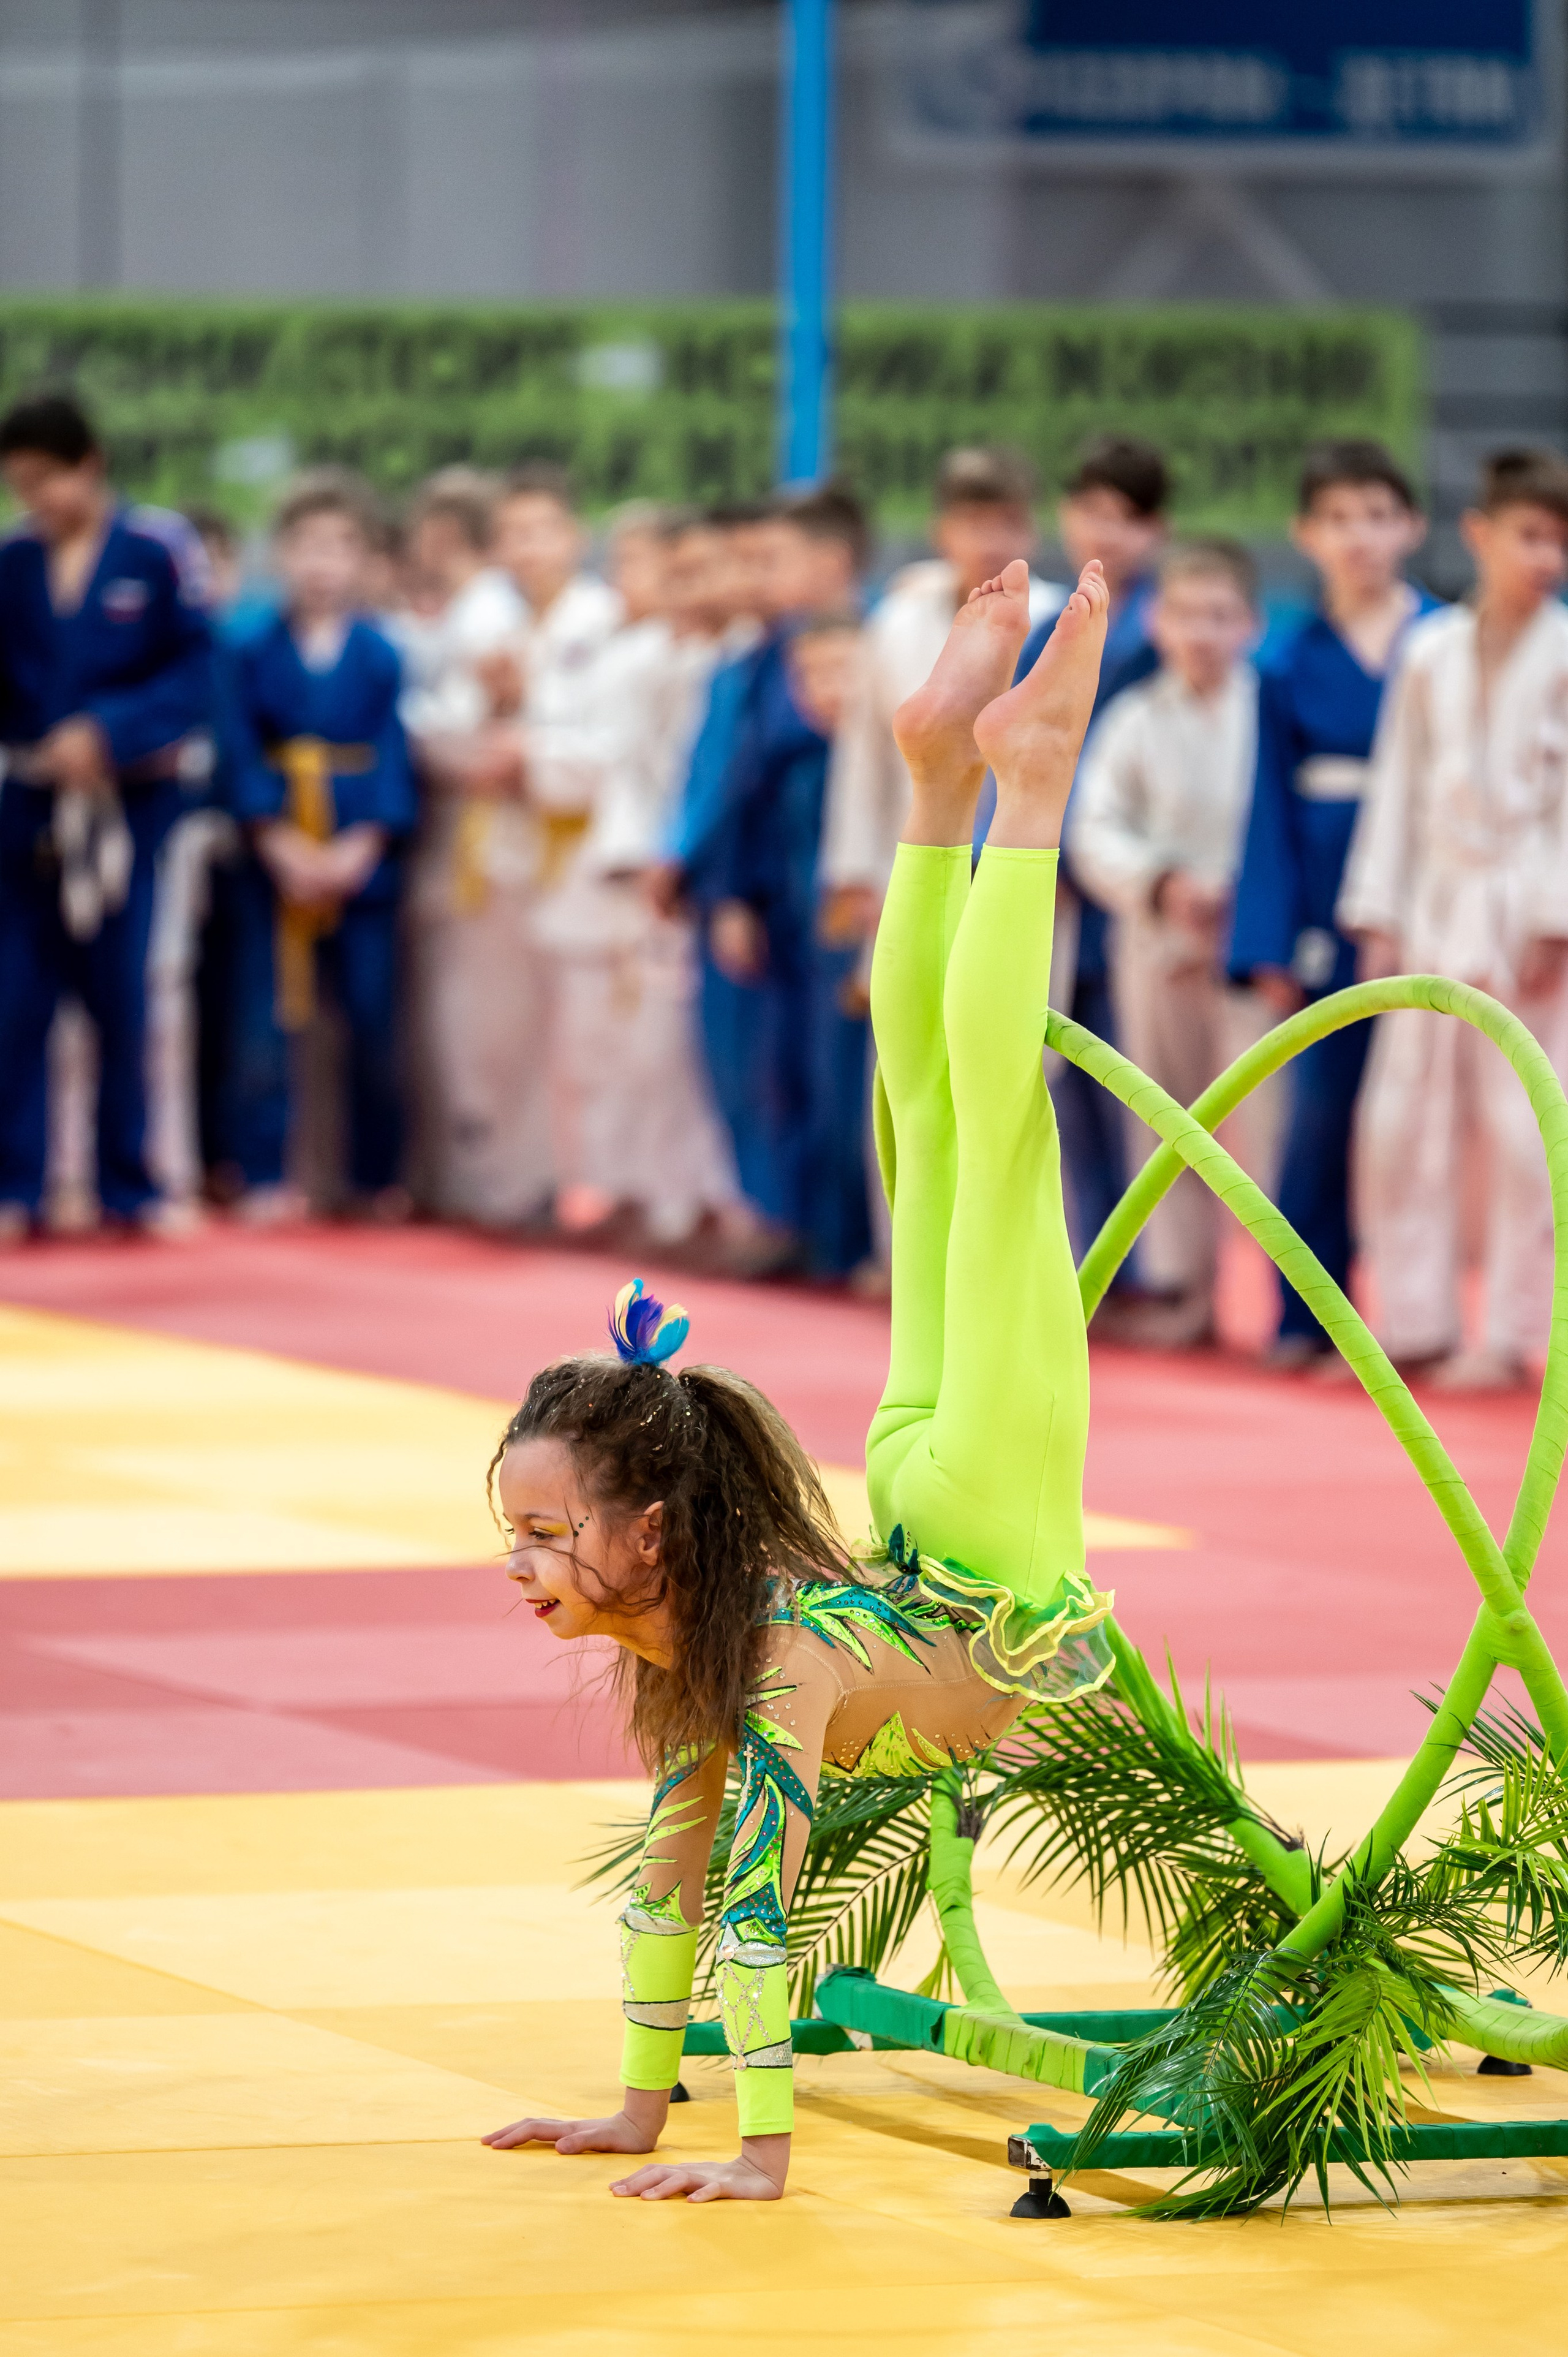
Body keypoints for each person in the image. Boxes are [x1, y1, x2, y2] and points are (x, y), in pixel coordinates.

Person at [481, 553, 1115, 2201]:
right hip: (937, 1528)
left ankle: (1003, 790)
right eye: (523, 1530)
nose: (524, 1563)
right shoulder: (706, 1644)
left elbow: (740, 1900)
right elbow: (676, 1884)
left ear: (652, 1524)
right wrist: (632, 2105)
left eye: (551, 1532)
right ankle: (942, 780)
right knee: (940, 1132)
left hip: (980, 1528)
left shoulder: (755, 1660)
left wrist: (754, 2149)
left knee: (971, 1131)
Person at [1338, 447, 1568, 1392]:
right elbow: (1396, 787)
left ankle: (1512, 1336)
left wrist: (1558, 913)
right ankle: (1414, 1320)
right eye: (1529, 534)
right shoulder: (1429, 651)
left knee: (1527, 1132)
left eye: (1560, 539)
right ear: (1478, 533)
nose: (1546, 555)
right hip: (1438, 897)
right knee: (1405, 1121)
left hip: (1531, 909)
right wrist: (1379, 911)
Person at [1227, 441, 1433, 1371]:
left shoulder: (1448, 639)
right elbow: (1265, 805)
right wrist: (1269, 937)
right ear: (1306, 535)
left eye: (1379, 515)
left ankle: (1433, 1319)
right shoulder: (1287, 661)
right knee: (1320, 1117)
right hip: (1322, 896)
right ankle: (1307, 1317)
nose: (1361, 537)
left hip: (1438, 886)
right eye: (1340, 518)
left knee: (1429, 1118)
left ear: (1414, 528)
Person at [0, 390, 213, 1244]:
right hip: (32, 801)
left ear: (90, 463)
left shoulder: (162, 549)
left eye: (45, 480)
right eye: (19, 485)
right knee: (17, 998)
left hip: (132, 803)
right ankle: (18, 1182)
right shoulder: (12, 560)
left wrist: (111, 732)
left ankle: (128, 1183)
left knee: (123, 996)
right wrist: (44, 742)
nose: (34, 501)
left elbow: (197, 671)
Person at [1069, 539, 1266, 1345]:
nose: (1202, 632)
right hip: (1157, 937)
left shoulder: (1269, 710)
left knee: (1264, 1125)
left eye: (1220, 615)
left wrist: (1242, 894)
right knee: (1168, 1119)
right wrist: (1160, 882)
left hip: (1254, 943)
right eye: (1186, 614)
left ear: (1250, 624)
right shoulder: (1134, 717)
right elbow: (1093, 827)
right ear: (1156, 620)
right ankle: (1187, 1291)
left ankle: (1292, 1308)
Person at [675, 484, 870, 1255]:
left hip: (846, 890)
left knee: (841, 1077)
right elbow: (735, 789)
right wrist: (724, 891)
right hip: (775, 887)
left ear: (832, 560)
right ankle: (786, 1220)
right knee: (770, 1070)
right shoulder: (753, 660)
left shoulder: (869, 645)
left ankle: (838, 1235)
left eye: (771, 559)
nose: (757, 576)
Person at [224, 469, 416, 1220]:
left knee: (371, 1016)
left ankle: (374, 1177)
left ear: (364, 559)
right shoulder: (246, 644)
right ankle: (267, 1171)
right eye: (308, 546)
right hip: (273, 855)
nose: (323, 563)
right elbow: (237, 748)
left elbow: (395, 750)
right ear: (281, 554)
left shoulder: (382, 651)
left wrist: (362, 844)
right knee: (264, 1021)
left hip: (358, 851)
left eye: (341, 547)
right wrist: (276, 840)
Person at [1009, 436, 1170, 1274]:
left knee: (1139, 1079)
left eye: (1125, 514)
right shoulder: (1045, 631)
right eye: (1089, 509)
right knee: (1067, 1075)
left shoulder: (1171, 630)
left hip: (1141, 880)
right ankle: (1090, 1260)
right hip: (1058, 882)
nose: (1103, 529)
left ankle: (1151, 1265)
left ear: (1157, 530)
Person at [391, 468, 539, 1225]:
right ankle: (467, 1174)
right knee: (456, 1016)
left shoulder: (488, 613)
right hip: (451, 828)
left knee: (485, 1018)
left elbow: (473, 735)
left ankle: (500, 1184)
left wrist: (404, 722)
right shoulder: (460, 613)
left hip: (483, 833)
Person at [707, 610, 872, 1276]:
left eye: (839, 669)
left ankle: (857, 1245)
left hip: (861, 948)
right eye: (807, 674)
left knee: (856, 1103)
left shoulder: (883, 763)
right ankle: (807, 1232)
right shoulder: (793, 762)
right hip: (802, 946)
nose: (822, 687)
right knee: (796, 1089)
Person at [484, 465, 625, 1231]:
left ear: (575, 537)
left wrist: (525, 751)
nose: (524, 548)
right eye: (510, 534)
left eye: (540, 530)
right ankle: (534, 1181)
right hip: (520, 852)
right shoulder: (508, 630)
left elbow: (606, 750)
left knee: (593, 1041)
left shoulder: (601, 620)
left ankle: (601, 1193)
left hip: (588, 854)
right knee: (520, 1035)